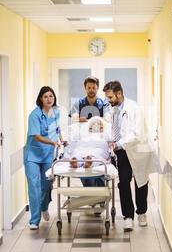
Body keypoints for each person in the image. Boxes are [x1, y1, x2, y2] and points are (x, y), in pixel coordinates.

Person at [103, 80, 148, 231]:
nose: (108, 100)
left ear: (119, 94)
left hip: (136, 149)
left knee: (140, 182)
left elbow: (137, 133)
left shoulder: (134, 108)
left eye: (110, 97)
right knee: (123, 183)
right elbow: (115, 129)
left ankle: (142, 212)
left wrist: (118, 143)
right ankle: (128, 217)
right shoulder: (114, 109)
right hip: (121, 151)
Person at [24, 86, 63, 230]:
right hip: (33, 156)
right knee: (34, 187)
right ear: (41, 98)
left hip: (47, 155)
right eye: (45, 96)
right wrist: (53, 142)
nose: (49, 99)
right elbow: (36, 136)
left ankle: (44, 206)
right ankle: (34, 220)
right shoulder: (34, 115)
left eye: (51, 96)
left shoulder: (57, 113)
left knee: (47, 185)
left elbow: (58, 129)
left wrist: (62, 139)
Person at [66, 117, 111, 187]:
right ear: (88, 129)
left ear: (103, 129)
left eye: (99, 127)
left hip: (97, 149)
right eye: (91, 128)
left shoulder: (105, 136)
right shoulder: (82, 136)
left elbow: (108, 149)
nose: (95, 129)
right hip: (82, 150)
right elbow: (73, 147)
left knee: (96, 155)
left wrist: (109, 157)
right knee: (78, 154)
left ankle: (87, 163)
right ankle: (77, 163)